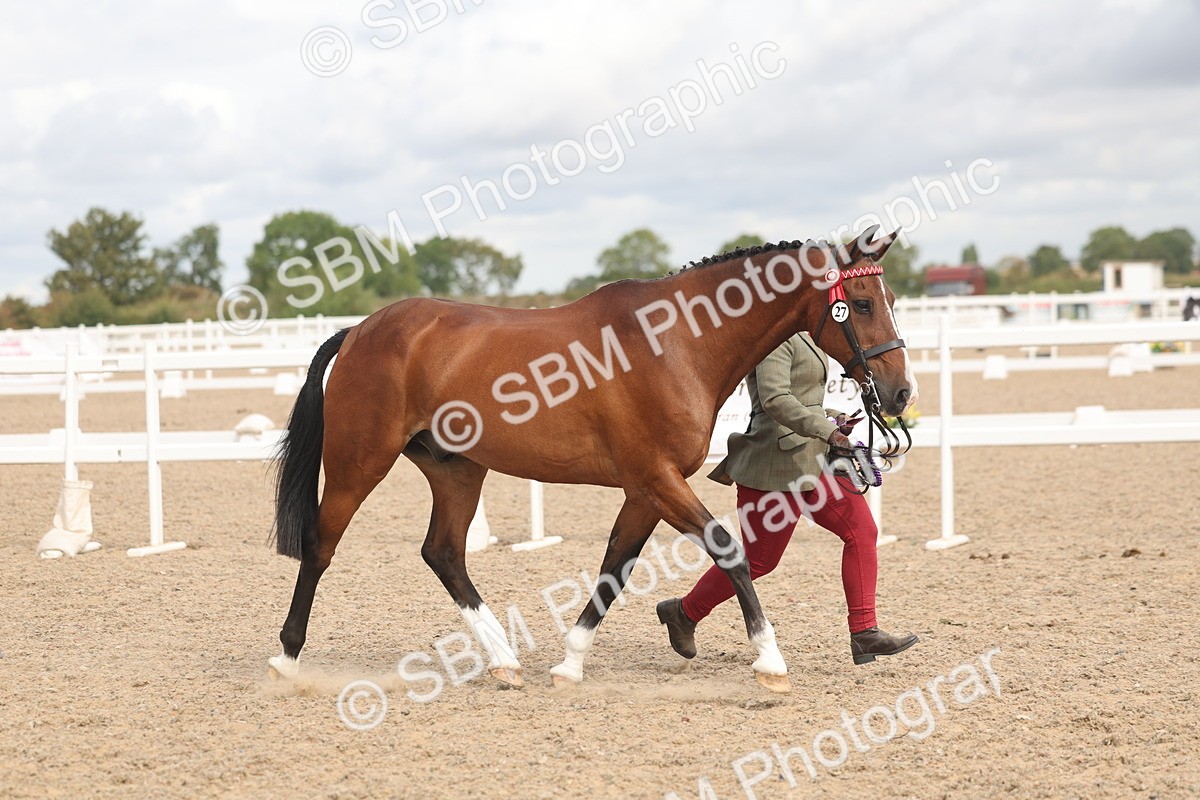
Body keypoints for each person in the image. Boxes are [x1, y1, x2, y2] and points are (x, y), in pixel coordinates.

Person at [656, 331, 918, 665]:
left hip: (812, 460)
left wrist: (833, 416)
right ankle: (684, 612)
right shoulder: (776, 338)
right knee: (760, 560)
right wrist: (825, 430)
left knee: (862, 531)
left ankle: (864, 631)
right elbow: (775, 399)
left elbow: (803, 398)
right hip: (774, 463)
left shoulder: (809, 335)